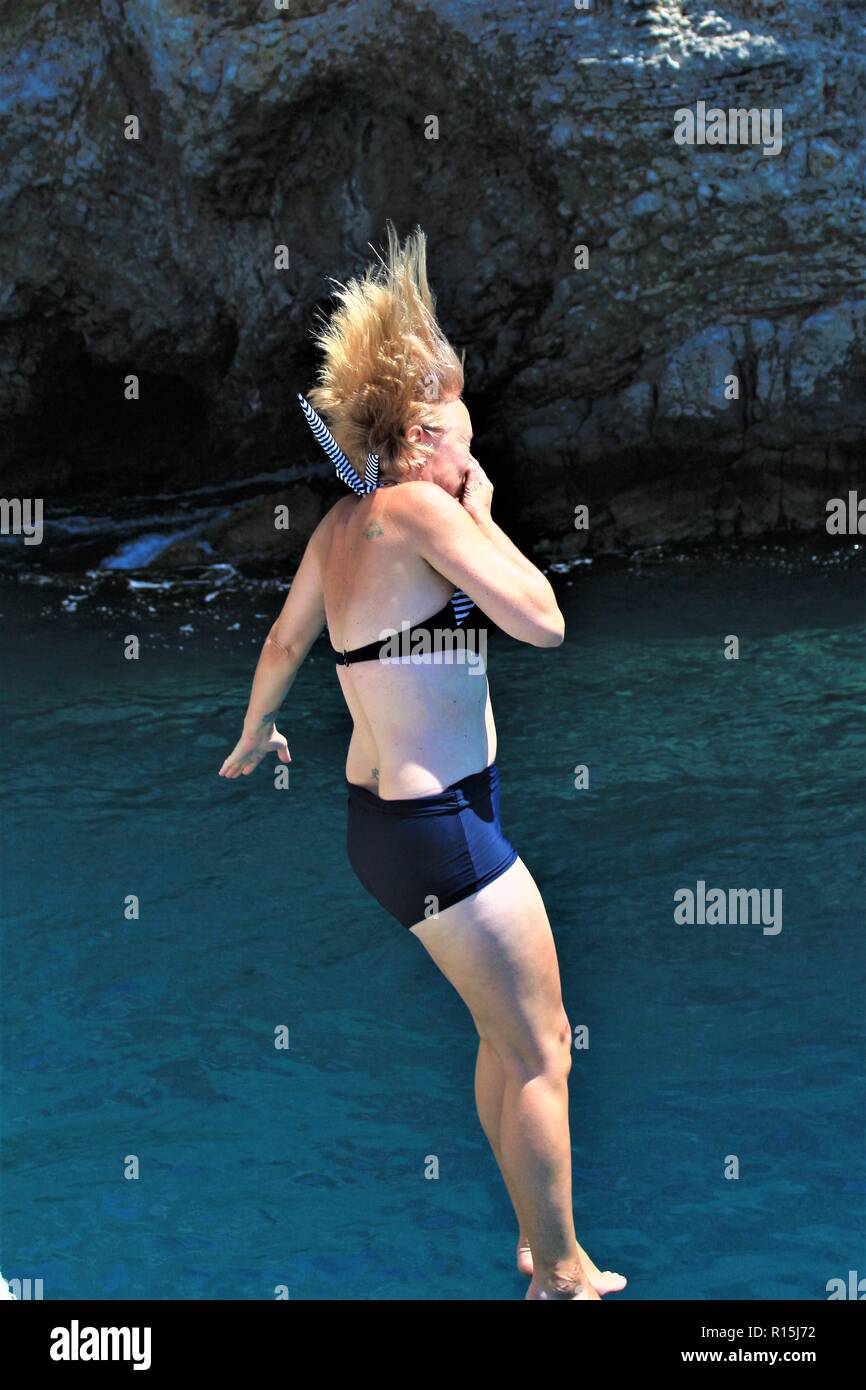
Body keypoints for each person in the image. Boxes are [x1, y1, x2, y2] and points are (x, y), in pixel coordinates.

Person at [219, 223, 626, 1301]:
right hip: (436, 825)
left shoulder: (342, 529)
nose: (473, 450)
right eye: (461, 431)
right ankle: (565, 1272)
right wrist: (484, 517)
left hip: (394, 827)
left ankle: (536, 1247)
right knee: (543, 1047)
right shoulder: (414, 511)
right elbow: (540, 620)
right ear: (417, 434)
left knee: (507, 1041)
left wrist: (255, 730)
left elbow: (281, 643)